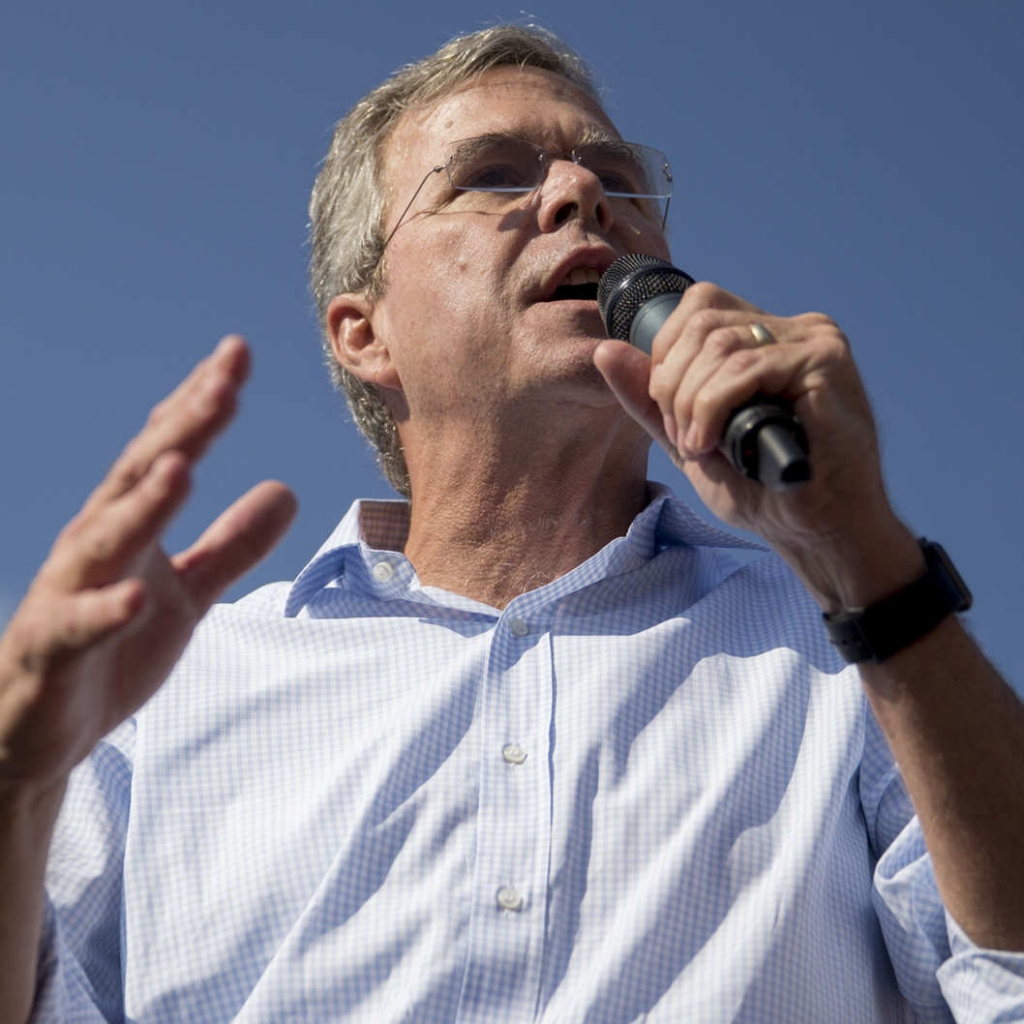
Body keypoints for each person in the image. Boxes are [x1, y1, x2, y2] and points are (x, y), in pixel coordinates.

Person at [2, 23, 1023, 1024]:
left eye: (616, 178)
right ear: (368, 333)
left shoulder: (854, 653)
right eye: (492, 176)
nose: (583, 195)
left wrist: (866, 561)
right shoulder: (170, 693)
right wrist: (14, 779)